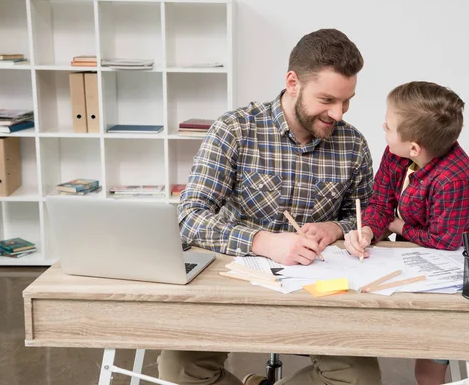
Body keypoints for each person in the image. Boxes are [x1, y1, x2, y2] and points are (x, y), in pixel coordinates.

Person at [159, 29, 380, 385]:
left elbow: (368, 216)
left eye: (347, 101)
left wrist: (337, 228)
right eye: (327, 99)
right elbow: (189, 217)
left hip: (320, 292)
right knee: (180, 369)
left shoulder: (353, 144)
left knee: (359, 379)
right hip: (233, 287)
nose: (338, 113)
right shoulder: (234, 130)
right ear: (293, 82)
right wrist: (264, 242)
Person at [344, 81, 469, 385]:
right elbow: (381, 201)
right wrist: (370, 229)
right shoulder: (395, 152)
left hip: (457, 263)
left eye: (388, 126)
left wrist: (397, 226)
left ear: (414, 147)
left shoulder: (454, 179)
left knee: (431, 352)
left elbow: (444, 240)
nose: (382, 127)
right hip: (417, 254)